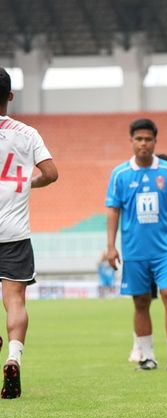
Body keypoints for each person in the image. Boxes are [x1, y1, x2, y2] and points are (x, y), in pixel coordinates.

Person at [106, 118, 167, 371]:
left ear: (155, 141)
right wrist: (111, 246)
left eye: (148, 139)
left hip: (165, 249)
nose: (143, 143)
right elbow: (112, 211)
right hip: (134, 251)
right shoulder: (120, 174)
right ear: (131, 141)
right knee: (141, 302)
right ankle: (146, 356)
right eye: (139, 139)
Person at [0, 67, 59, 398]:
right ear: (10, 96)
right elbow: (51, 173)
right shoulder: (27, 133)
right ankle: (14, 356)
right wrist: (29, 183)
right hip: (15, 232)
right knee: (15, 300)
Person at [127, 153, 167, 365]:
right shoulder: (130, 177)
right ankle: (139, 349)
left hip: (165, 252)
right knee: (142, 301)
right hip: (139, 252)